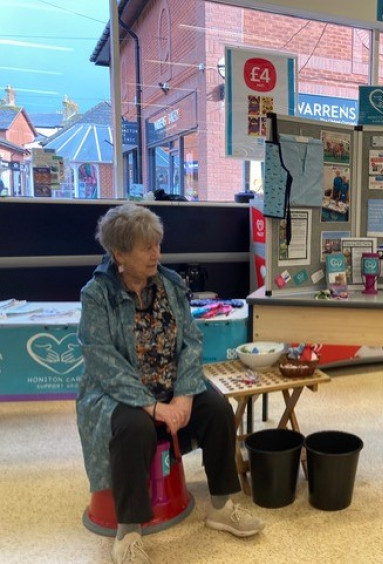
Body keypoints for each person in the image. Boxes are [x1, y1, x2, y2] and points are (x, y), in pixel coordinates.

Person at [76, 204, 263, 564]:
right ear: (119, 253)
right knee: (134, 429)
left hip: (173, 386)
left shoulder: (171, 284)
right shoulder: (96, 295)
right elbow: (102, 360)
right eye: (146, 248)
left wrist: (185, 395)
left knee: (219, 410)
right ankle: (128, 531)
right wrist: (154, 407)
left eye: (157, 245)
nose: (156, 254)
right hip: (119, 392)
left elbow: (192, 342)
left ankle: (222, 506)